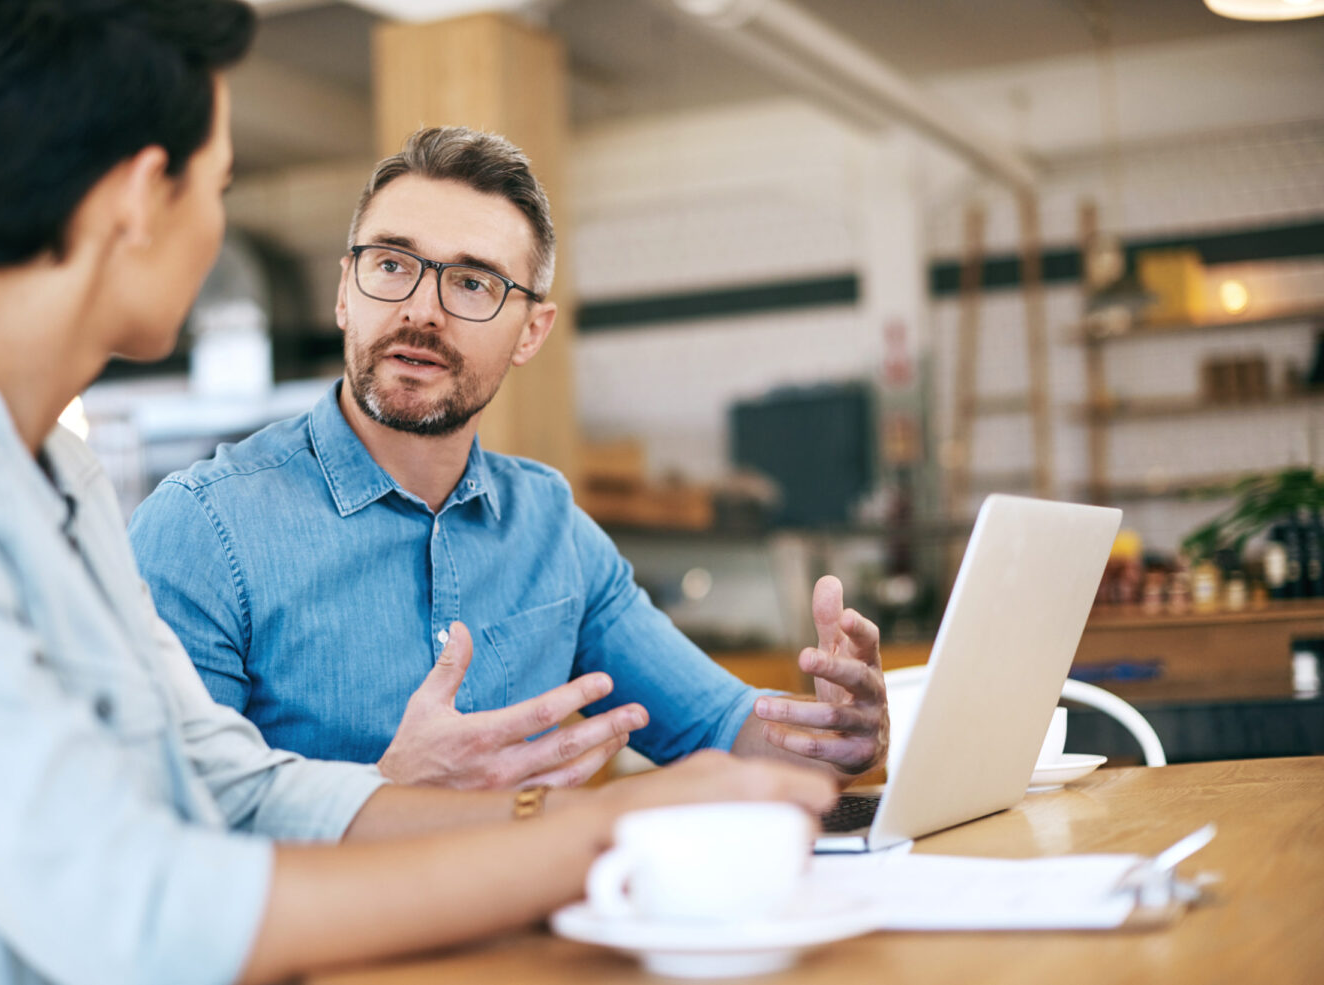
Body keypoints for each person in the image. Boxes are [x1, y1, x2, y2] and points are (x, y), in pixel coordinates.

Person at [0, 3, 839, 984]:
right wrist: (605, 833)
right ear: (139, 199)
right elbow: (131, 903)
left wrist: (572, 810)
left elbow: (233, 786)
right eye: (220, 183)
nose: (216, 230)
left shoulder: (54, 468)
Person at [129, 125, 890, 792]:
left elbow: (723, 728)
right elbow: (155, 837)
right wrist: (387, 789)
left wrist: (833, 738)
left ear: (531, 332)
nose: (421, 309)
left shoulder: (551, 528)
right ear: (343, 293)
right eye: (392, 264)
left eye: (472, 282)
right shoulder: (202, 529)